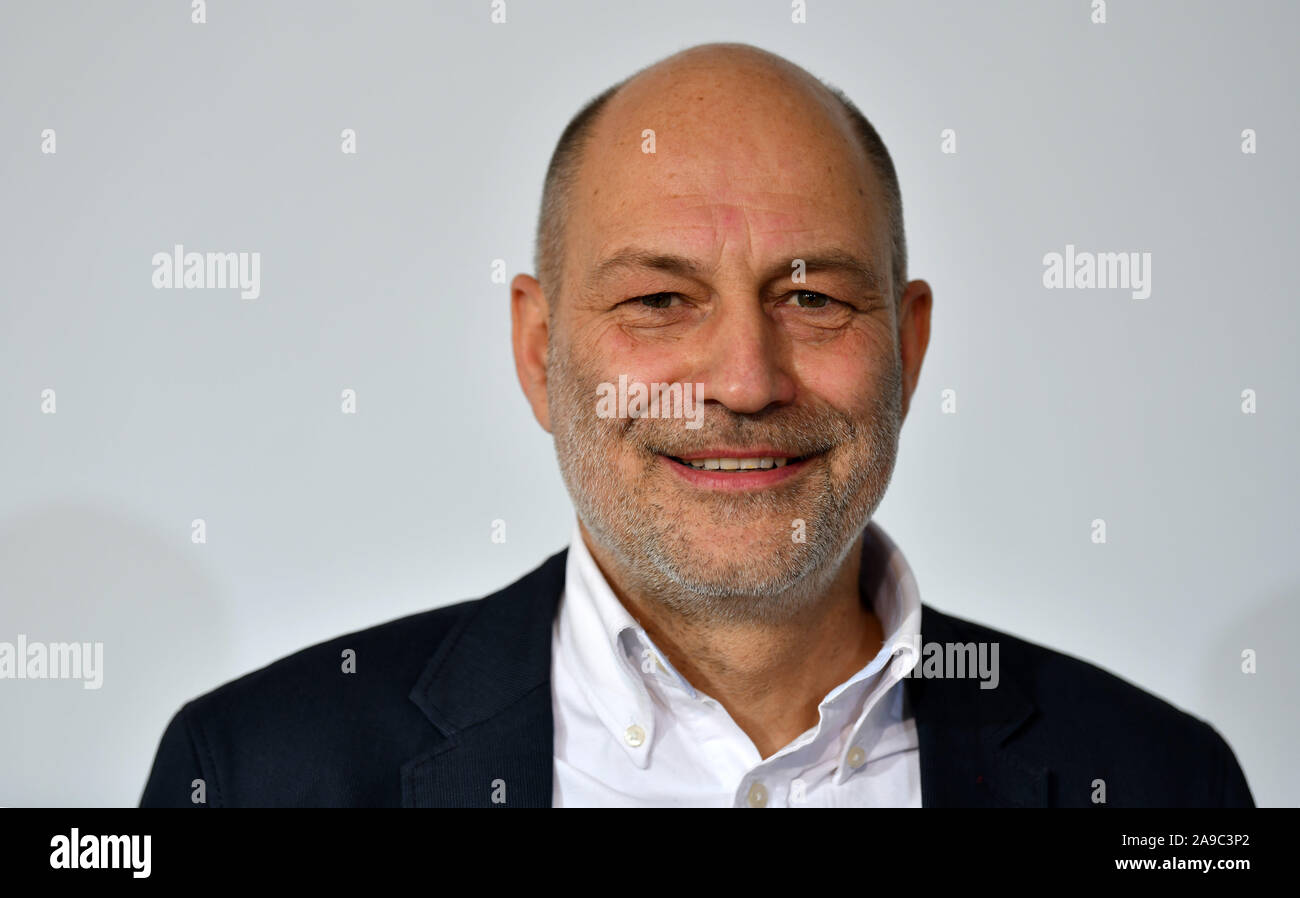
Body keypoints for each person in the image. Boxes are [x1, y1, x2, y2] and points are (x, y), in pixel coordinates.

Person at [141, 42, 1253, 808]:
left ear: (908, 349)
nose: (743, 379)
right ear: (539, 351)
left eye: (813, 298)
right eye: (659, 300)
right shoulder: (254, 775)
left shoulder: (1159, 781)